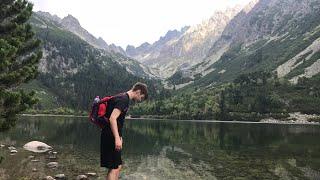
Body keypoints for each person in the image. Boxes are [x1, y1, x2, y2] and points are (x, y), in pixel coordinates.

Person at [101, 82, 148, 180]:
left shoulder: (123, 98)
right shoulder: (123, 99)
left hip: (112, 136)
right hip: (111, 137)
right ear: (138, 92)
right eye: (142, 98)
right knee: (114, 168)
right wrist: (117, 138)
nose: (140, 100)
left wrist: (119, 137)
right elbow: (112, 118)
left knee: (118, 165)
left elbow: (117, 120)